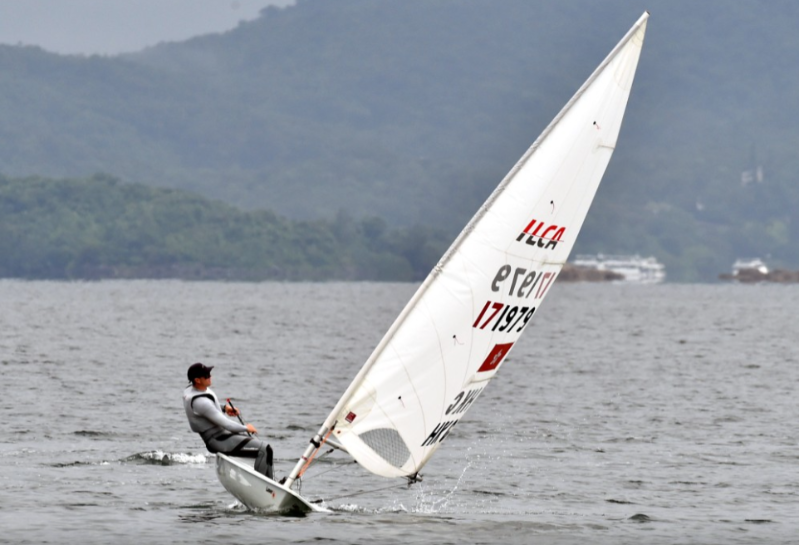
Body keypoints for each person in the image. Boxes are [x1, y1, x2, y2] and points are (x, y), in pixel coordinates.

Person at [183, 362, 273, 478]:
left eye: (209, 374)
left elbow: (207, 409)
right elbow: (227, 424)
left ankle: (268, 480)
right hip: (218, 440)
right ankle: (267, 486)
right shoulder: (200, 402)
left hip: (222, 436)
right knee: (264, 449)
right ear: (197, 380)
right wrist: (246, 427)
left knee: (263, 448)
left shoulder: (191, 390)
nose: (210, 377)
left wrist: (225, 408)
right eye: (206, 375)